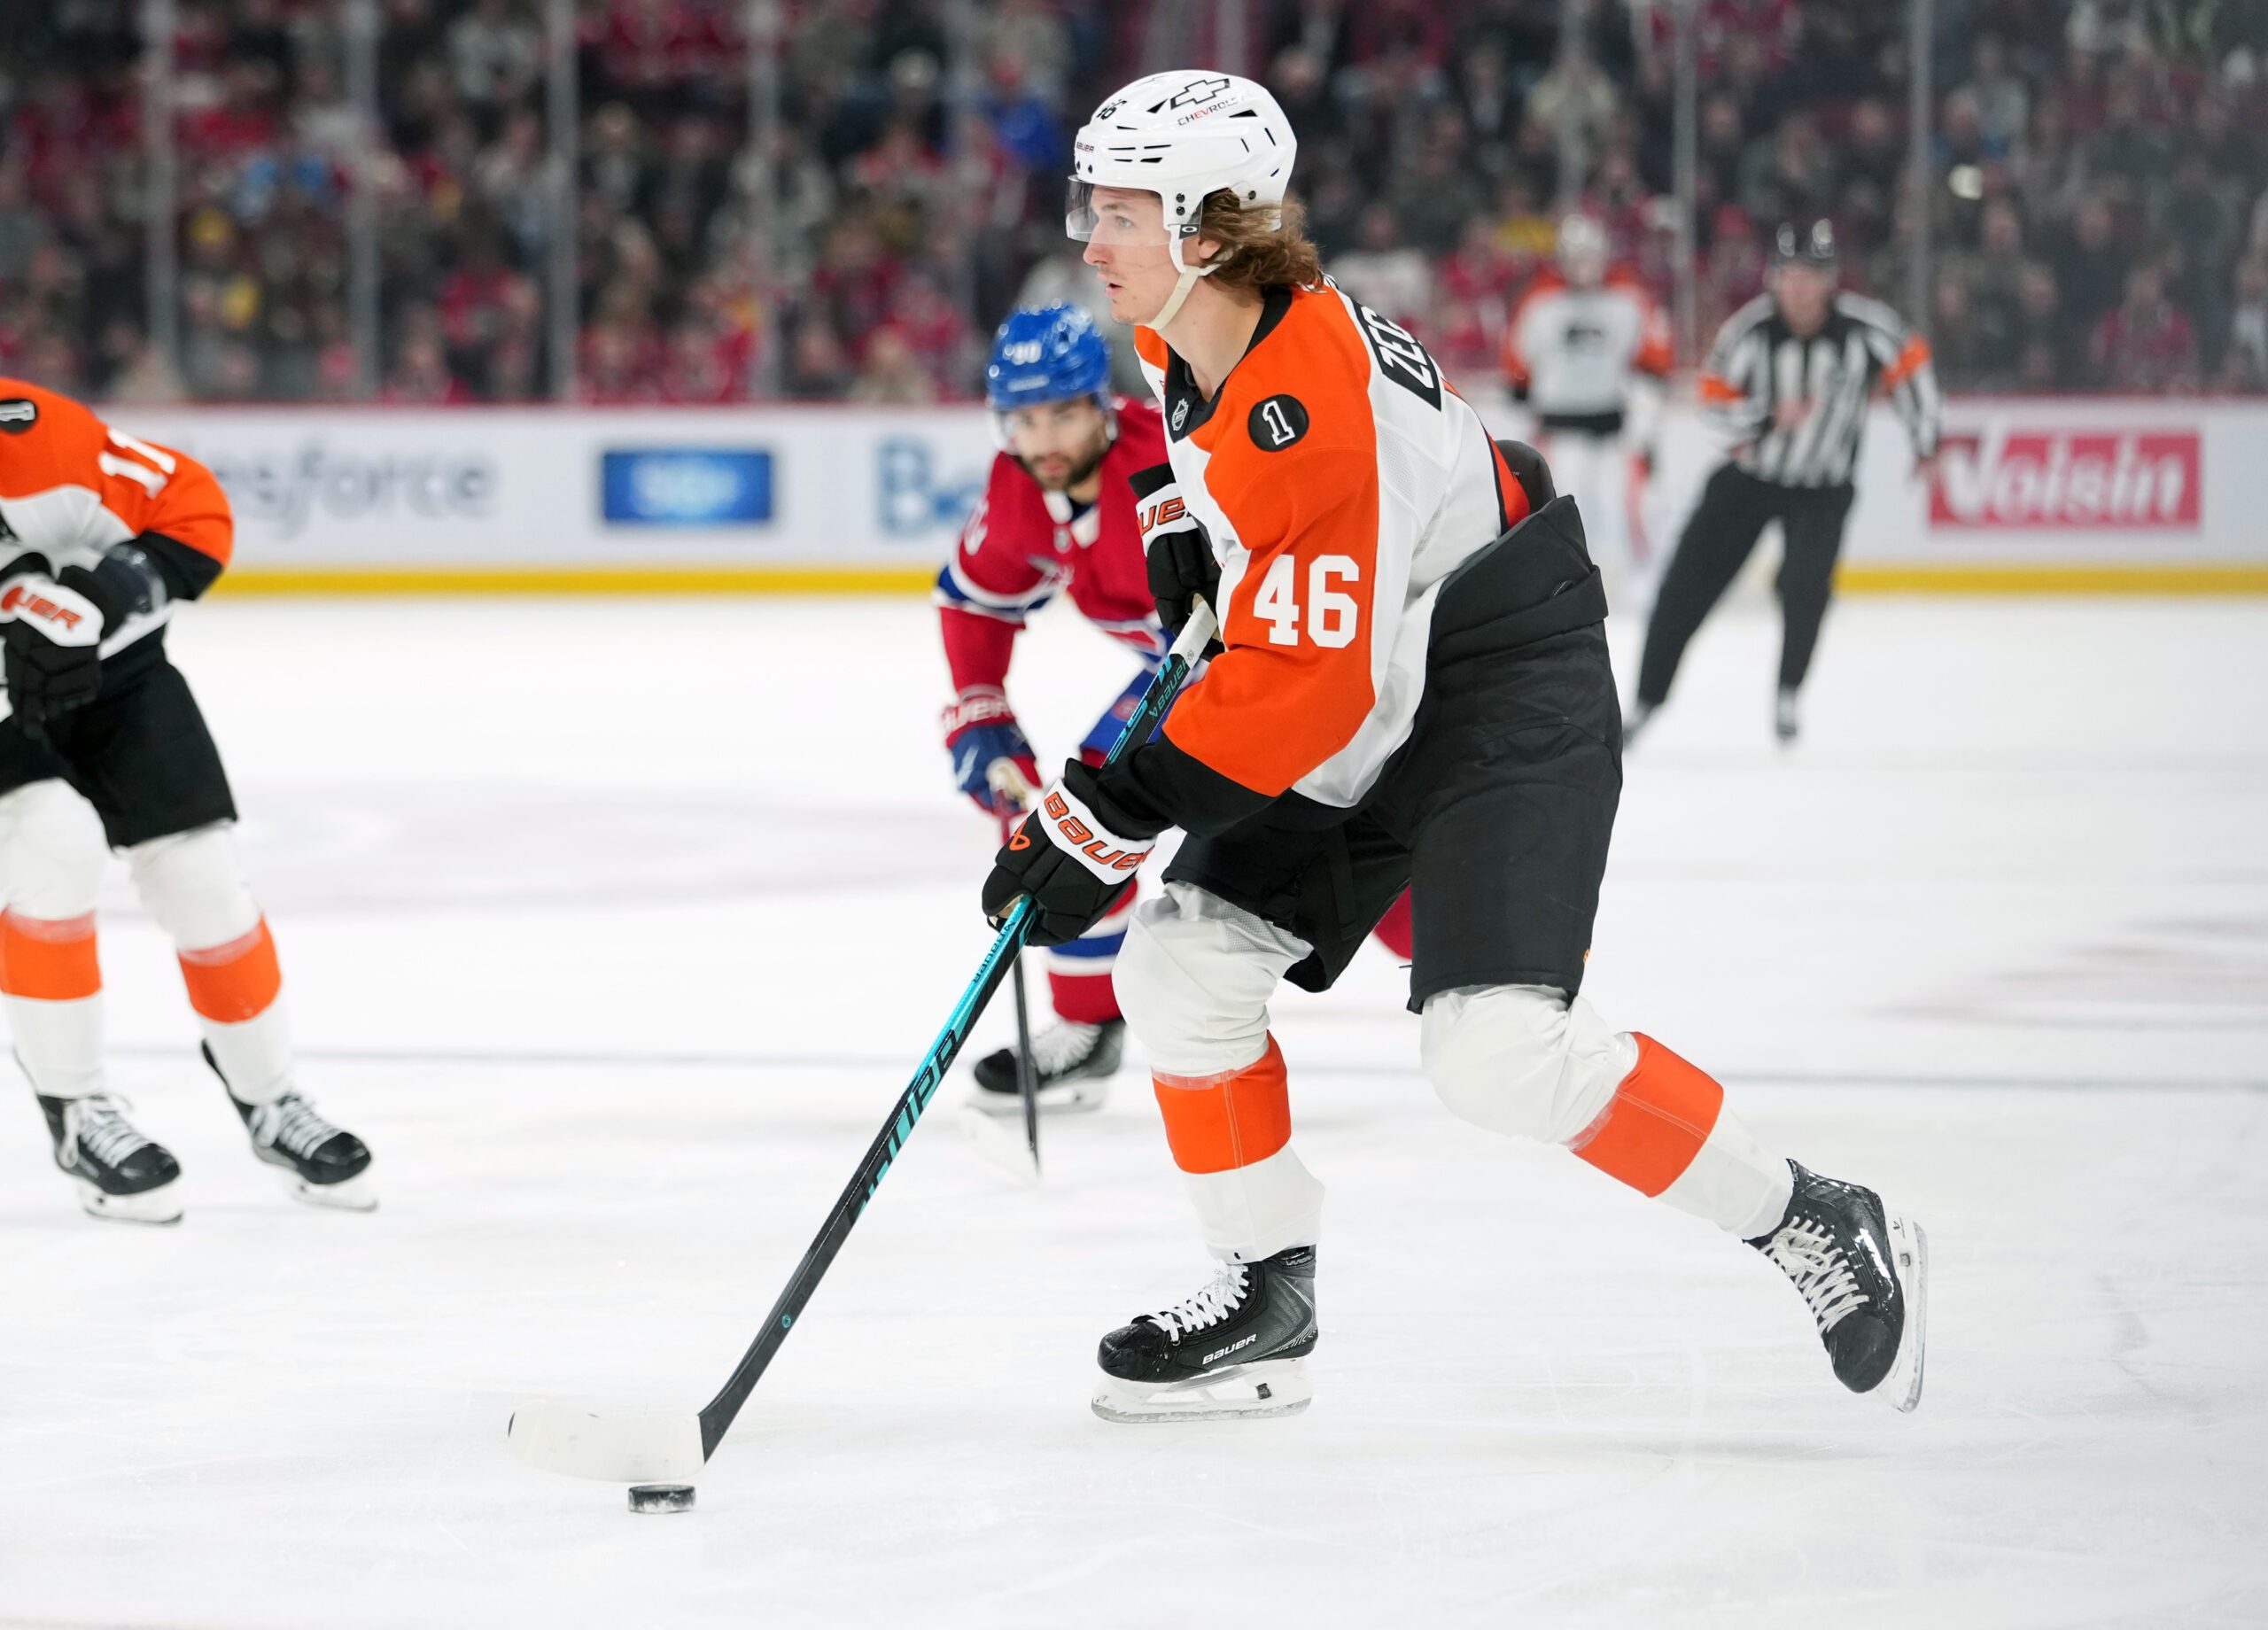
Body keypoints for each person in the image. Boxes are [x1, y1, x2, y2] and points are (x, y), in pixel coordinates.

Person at [979, 72, 1928, 1423]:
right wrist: (1192, 542)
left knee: (1498, 1056)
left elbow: (1303, 691)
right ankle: (1265, 1292)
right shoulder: (1191, 331)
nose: (1089, 240)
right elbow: (1237, 527)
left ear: (1203, 226)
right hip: (1386, 670)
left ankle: (1811, 1217)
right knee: (1185, 966)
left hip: (1497, 688)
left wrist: (1105, 814)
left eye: (1118, 213)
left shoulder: (1304, 400)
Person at [0, 378, 373, 1223]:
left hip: (122, 684)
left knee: (202, 878)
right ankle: (76, 1106)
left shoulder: (35, 438)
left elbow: (193, 508)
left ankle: (271, 1099)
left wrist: (101, 600)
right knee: (52, 848)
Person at [1629, 221, 1941, 745]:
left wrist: (1926, 442)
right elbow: (1713, 400)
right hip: (1750, 481)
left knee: (1805, 589)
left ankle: (1788, 692)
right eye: (1790, 276)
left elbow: (1911, 369)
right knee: (1684, 588)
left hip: (1823, 487)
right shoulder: (1749, 332)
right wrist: (1766, 417)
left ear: (1831, 281)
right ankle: (1644, 701)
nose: (1799, 289)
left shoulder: (1866, 329)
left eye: (1811, 277)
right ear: (1774, 279)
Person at [1502, 213, 1673, 607]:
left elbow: (1653, 361)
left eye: (1591, 255)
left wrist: (1644, 420)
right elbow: (1517, 368)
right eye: (1576, 256)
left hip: (1612, 425)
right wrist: (1528, 414)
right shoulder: (1539, 300)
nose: (1584, 265)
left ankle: (1641, 579)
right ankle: (1564, 584)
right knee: (1563, 507)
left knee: (1628, 505)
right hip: (1558, 429)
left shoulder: (1628, 297)